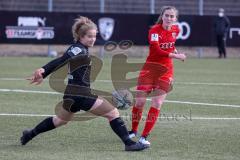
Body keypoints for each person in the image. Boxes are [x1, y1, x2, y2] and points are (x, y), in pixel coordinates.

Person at [20, 16, 149, 151]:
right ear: (80, 36)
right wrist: (44, 70)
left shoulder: (81, 48)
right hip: (80, 94)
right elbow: (62, 60)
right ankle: (129, 144)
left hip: (72, 94)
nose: (92, 39)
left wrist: (45, 72)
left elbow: (63, 59)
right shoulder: (78, 49)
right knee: (113, 113)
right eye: (89, 36)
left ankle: (29, 134)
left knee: (60, 120)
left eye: (94, 36)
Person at [128, 6, 186, 146]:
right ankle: (133, 131)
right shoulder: (154, 30)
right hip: (150, 70)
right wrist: (176, 56)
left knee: (157, 102)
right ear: (162, 16)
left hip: (166, 71)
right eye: (167, 15)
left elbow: (170, 46)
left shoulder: (176, 30)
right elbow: (157, 49)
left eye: (172, 16)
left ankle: (144, 136)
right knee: (140, 101)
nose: (169, 18)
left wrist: (175, 51)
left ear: (176, 19)